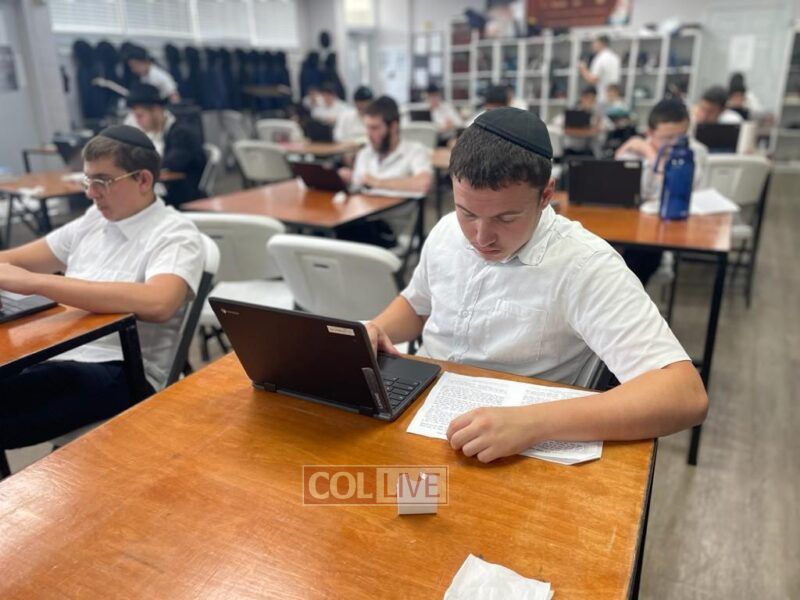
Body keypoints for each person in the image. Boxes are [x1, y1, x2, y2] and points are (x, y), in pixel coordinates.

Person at [365, 107, 707, 464]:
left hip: (513, 443)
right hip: (419, 410)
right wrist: (375, 330)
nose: (481, 237)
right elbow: (417, 304)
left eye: (506, 217)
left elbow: (684, 395)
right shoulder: (447, 230)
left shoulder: (583, 265)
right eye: (467, 212)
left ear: (546, 195)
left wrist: (535, 423)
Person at [0, 125, 204, 450]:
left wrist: (37, 283)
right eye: (88, 180)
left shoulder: (175, 233)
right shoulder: (95, 220)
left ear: (143, 180)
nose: (91, 193)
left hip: (123, 369)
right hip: (61, 352)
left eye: (103, 181)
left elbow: (159, 302)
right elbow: (15, 260)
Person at [615, 99, 709, 285]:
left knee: (641, 257)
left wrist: (653, 157)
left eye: (681, 136)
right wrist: (649, 154)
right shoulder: (632, 153)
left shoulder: (693, 154)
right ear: (650, 133)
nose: (675, 144)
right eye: (667, 138)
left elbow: (683, 193)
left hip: (661, 232)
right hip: (627, 226)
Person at [126, 84, 206, 207]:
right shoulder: (153, 134)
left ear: (156, 110)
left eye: (140, 116)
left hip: (181, 196)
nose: (137, 121)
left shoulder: (182, 133)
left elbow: (170, 163)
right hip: (162, 193)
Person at [338, 96, 432, 195]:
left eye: (374, 128)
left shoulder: (415, 151)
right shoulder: (365, 153)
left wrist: (376, 182)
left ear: (393, 127)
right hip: (366, 203)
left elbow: (423, 183)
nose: (369, 134)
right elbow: (358, 186)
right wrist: (349, 180)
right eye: (367, 128)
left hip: (398, 205)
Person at [550, 86, 611, 156]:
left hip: (590, 150)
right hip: (571, 149)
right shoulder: (573, 112)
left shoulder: (597, 114)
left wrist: (597, 125)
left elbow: (608, 126)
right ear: (582, 98)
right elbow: (556, 123)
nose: (589, 101)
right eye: (587, 98)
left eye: (592, 99)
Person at [578, 35, 621, 105]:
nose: (593, 45)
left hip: (603, 98)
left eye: (595, 43)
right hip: (614, 96)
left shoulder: (600, 59)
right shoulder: (615, 57)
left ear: (601, 44)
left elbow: (593, 80)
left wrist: (583, 69)